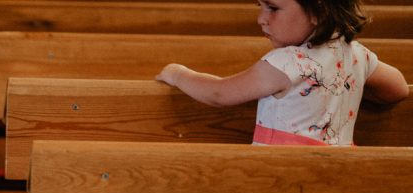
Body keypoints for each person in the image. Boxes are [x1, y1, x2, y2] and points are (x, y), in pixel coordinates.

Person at [156, 0, 408, 146]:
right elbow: (397, 89)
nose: (261, 19)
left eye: (273, 8)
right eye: (260, 6)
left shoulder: (287, 62)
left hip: (284, 171)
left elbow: (218, 94)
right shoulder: (357, 54)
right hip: (340, 171)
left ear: (319, 11)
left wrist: (178, 74)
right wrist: (354, 84)